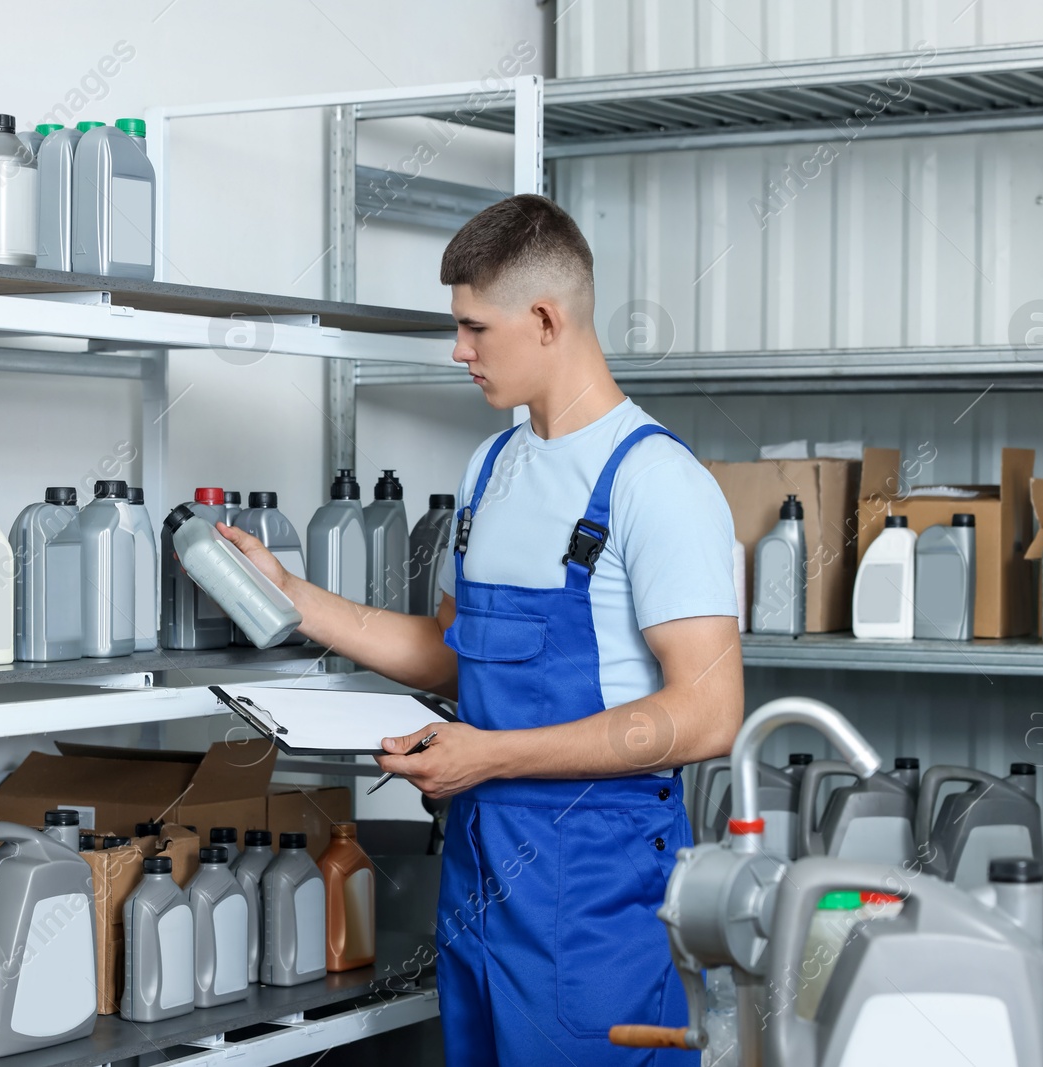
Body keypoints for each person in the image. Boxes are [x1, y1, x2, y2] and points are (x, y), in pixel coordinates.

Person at [219, 194, 742, 1066]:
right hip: (480, 871)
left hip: (600, 886)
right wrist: (294, 597)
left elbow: (708, 714)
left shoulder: (660, 484)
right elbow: (459, 656)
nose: (458, 351)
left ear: (544, 318)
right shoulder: (491, 466)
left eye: (473, 328)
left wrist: (488, 755)